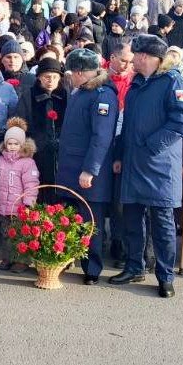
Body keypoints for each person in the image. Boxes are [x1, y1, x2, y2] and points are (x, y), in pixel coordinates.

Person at [110, 34, 183, 298]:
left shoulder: (172, 81)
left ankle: (165, 276)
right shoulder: (135, 84)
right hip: (134, 163)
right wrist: (120, 154)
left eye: (136, 55)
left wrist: (151, 144)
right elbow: (128, 123)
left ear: (147, 56)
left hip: (160, 165)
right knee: (132, 219)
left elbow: (181, 122)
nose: (132, 59)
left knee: (162, 223)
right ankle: (135, 266)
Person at [55, 48, 119, 284]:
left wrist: (90, 169)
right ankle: (66, 259)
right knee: (71, 217)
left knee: (91, 220)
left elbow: (101, 136)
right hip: (71, 166)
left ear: (80, 72)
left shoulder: (102, 95)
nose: (70, 76)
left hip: (88, 171)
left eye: (72, 72)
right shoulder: (80, 91)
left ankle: (92, 268)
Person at [0, 117, 39, 272]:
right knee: (5, 233)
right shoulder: (0, 161)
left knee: (21, 234)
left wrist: (28, 203)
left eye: (16, 144)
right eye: (9, 143)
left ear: (22, 145)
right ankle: (7, 258)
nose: (12, 147)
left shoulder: (27, 163)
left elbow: (31, 184)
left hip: (19, 207)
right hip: (3, 206)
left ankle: (21, 260)